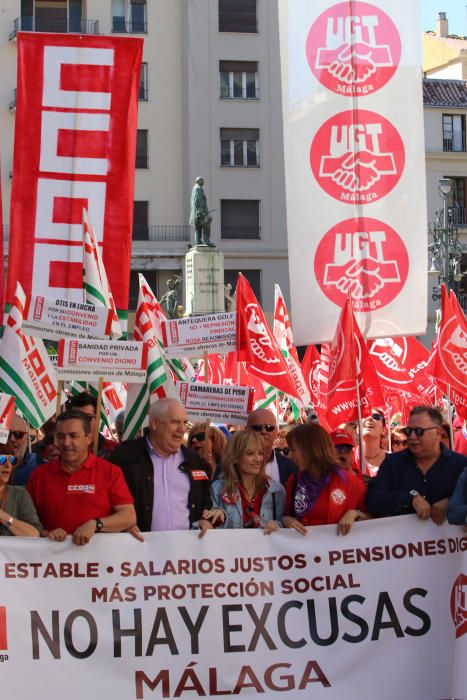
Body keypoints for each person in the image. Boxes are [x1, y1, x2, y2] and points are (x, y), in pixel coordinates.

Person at [28, 411, 136, 545]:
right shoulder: (39, 476)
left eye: (73, 436)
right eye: (61, 436)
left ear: (88, 438)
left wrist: (95, 524)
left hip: (97, 562)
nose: (66, 443)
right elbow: (27, 522)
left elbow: (128, 516)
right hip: (52, 562)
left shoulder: (110, 472)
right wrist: (45, 533)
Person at [110, 398, 215, 536]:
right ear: (154, 423)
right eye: (175, 422)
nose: (182, 429)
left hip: (186, 553)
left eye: (184, 422)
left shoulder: (196, 462)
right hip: (138, 550)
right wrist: (122, 525)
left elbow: (206, 502)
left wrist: (206, 520)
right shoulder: (125, 458)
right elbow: (107, 502)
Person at [366, 406, 467, 524]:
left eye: (419, 431)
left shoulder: (460, 465)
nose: (412, 437)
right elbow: (373, 500)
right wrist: (410, 499)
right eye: (408, 431)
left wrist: (452, 503)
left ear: (438, 433)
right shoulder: (393, 463)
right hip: (401, 539)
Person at [283, 423, 366, 536]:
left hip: (338, 551)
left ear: (311, 450)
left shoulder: (350, 482)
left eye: (294, 450)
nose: (290, 456)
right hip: (305, 552)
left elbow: (377, 519)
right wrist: (286, 520)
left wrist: (355, 514)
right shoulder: (293, 482)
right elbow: (285, 516)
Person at [207, 430, 284, 533]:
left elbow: (284, 527)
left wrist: (277, 525)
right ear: (235, 458)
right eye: (250, 453)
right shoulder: (218, 489)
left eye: (260, 453)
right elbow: (211, 532)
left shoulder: (276, 490)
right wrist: (218, 519)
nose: (258, 459)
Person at [246, 409, 296, 486]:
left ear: (276, 431)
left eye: (269, 427)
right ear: (246, 430)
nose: (264, 431)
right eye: (257, 427)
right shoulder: (233, 466)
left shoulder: (290, 466)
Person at [0, 445, 42, 537]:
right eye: (2, 459)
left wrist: (4, 517)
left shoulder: (20, 494)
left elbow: (34, 534)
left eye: (11, 460)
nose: (8, 465)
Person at [67, 391, 117, 456]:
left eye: (87, 417)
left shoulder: (114, 450)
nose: (81, 422)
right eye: (76, 417)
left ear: (97, 419)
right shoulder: (65, 450)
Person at [7, 413, 43, 485]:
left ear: (27, 438)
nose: (12, 439)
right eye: (7, 434)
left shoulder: (39, 466)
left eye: (18, 434)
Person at [353, 409, 388, 478]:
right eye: (364, 416)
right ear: (358, 428)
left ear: (384, 430)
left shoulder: (395, 461)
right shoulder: (349, 458)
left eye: (376, 416)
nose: (369, 418)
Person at [189, 176, 214, 247]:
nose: (203, 182)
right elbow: (198, 201)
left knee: (198, 227)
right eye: (201, 180)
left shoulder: (195, 188)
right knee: (208, 221)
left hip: (196, 213)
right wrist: (202, 212)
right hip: (200, 213)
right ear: (198, 181)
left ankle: (198, 241)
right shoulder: (198, 189)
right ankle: (206, 240)